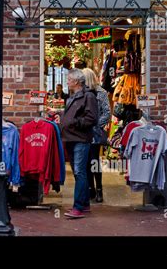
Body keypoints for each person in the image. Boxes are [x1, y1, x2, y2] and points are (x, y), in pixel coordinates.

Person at [59, 69, 98, 219]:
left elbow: (91, 118)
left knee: (80, 172)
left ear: (76, 81)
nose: (67, 81)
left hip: (80, 139)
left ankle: (78, 208)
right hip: (71, 138)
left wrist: (73, 123)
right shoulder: (74, 96)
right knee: (79, 172)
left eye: (69, 79)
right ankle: (84, 203)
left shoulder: (88, 96)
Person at [82, 68, 111, 203]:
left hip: (95, 132)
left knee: (94, 160)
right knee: (86, 161)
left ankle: (99, 189)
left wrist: (95, 124)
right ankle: (90, 189)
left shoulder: (101, 92)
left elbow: (107, 112)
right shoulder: (80, 93)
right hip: (82, 132)